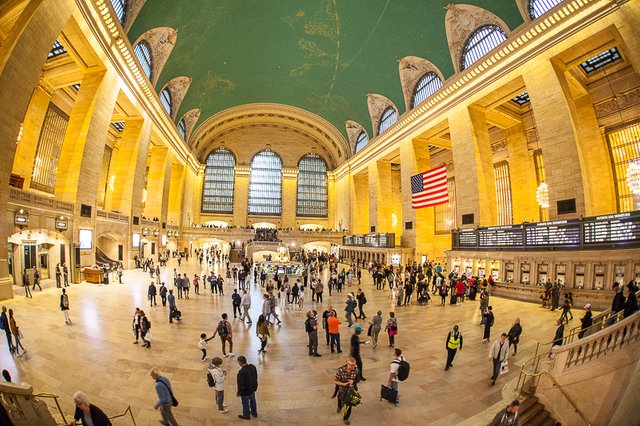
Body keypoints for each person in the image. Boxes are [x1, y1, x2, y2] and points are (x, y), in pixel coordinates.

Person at [333, 357, 359, 425]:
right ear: (347, 364)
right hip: (342, 390)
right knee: (340, 399)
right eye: (352, 365)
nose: (354, 366)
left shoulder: (356, 369)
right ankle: (339, 406)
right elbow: (335, 381)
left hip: (351, 391)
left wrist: (353, 381)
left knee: (349, 405)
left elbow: (358, 379)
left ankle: (346, 418)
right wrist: (344, 384)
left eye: (354, 365)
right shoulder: (340, 371)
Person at [236, 356, 258, 420]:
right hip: (252, 388)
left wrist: (239, 393)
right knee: (253, 401)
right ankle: (254, 413)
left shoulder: (241, 372)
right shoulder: (252, 366)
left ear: (240, 362)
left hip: (245, 391)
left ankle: (246, 415)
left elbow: (241, 384)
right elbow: (255, 377)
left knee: (245, 403)